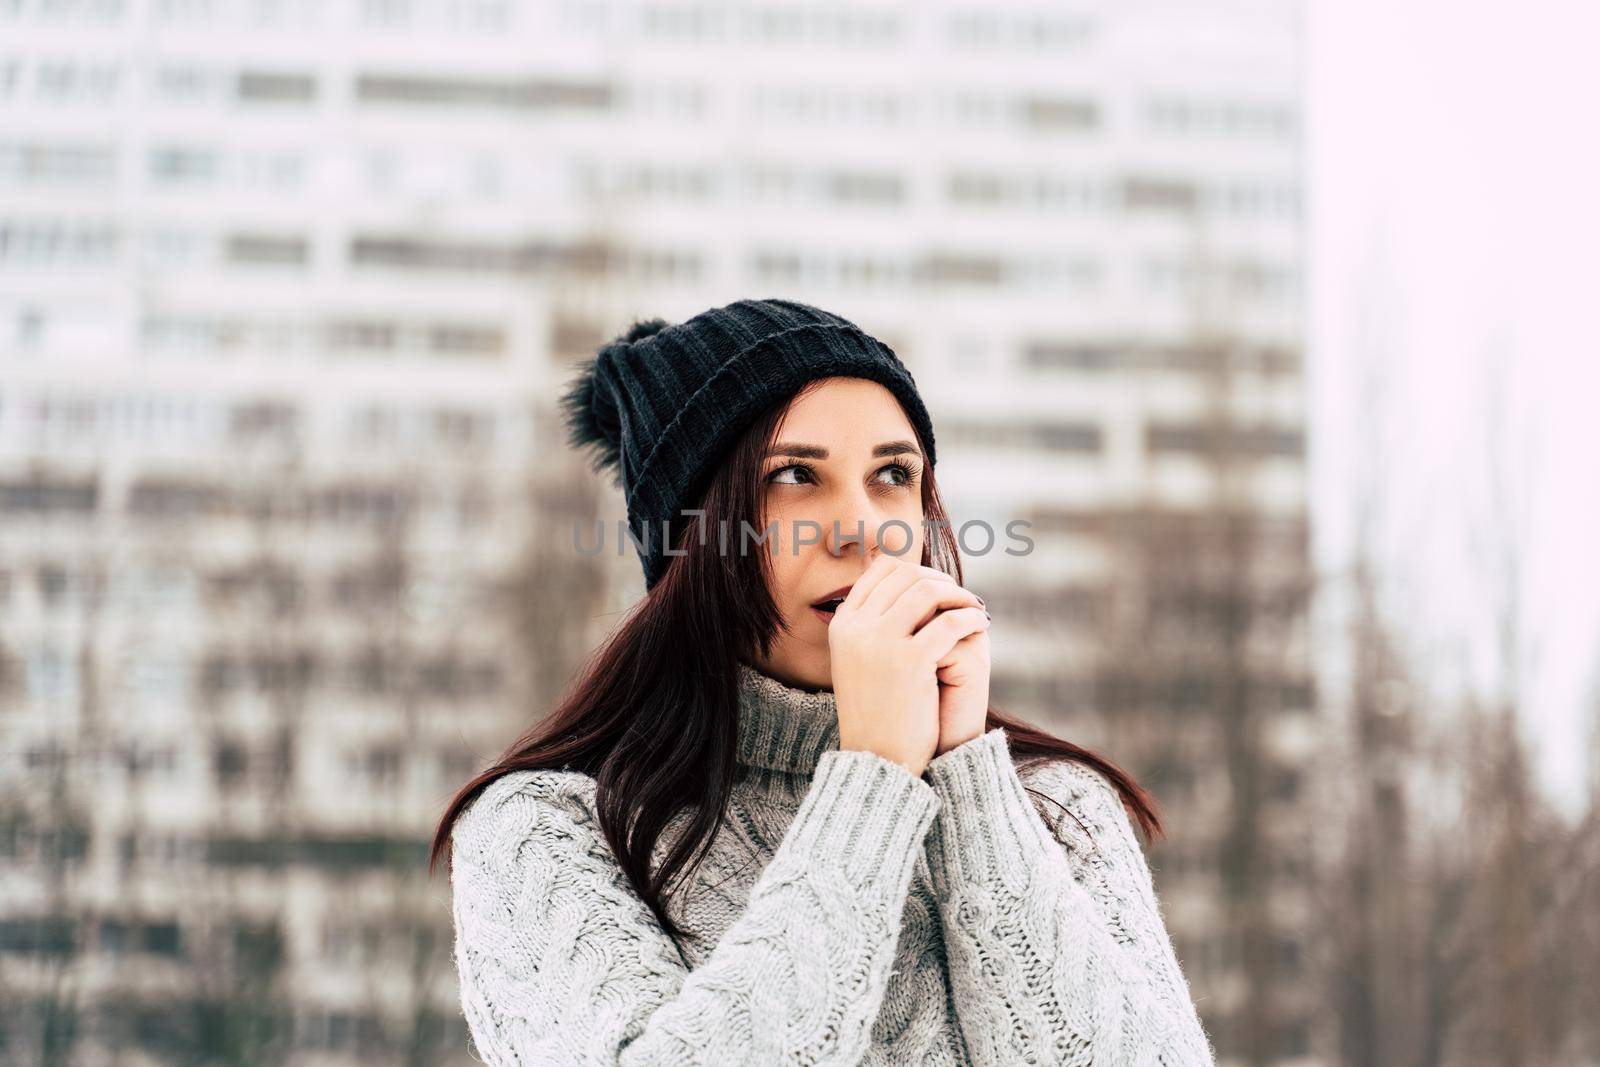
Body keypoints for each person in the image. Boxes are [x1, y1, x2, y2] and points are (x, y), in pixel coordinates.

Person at [429, 298, 1218, 1066]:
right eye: (795, 475)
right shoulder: (543, 830)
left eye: (893, 474)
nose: (862, 528)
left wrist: (972, 785)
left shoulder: (1055, 808)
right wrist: (870, 786)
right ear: (693, 537)